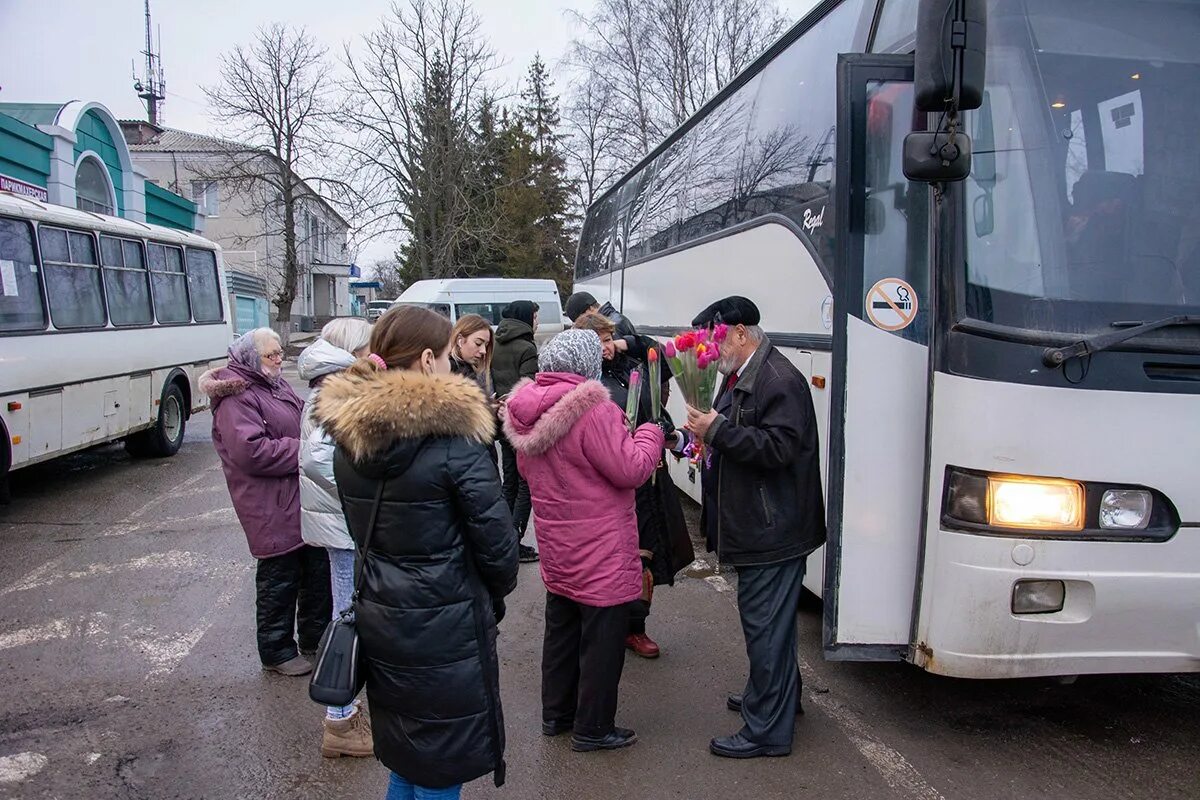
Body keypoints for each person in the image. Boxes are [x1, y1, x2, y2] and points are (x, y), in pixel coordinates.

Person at [313, 304, 519, 800]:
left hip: (382, 612)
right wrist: (494, 589)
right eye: (450, 354)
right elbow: (499, 550)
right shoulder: (455, 441)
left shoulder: (349, 436)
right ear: (428, 360)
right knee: (441, 759)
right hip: (444, 622)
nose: (454, 365)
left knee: (408, 749)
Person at [502, 329, 666, 753]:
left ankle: (556, 715)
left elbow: (527, 473)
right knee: (602, 643)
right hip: (600, 550)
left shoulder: (527, 411)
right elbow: (630, 470)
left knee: (562, 632)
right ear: (587, 366)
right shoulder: (595, 411)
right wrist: (649, 433)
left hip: (558, 545)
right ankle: (593, 728)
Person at [679, 296, 825, 760]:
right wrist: (700, 439)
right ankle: (778, 697)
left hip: (774, 529)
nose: (709, 351)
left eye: (715, 339)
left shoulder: (780, 379)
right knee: (772, 626)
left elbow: (780, 448)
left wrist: (717, 431)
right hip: (763, 524)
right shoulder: (743, 374)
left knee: (765, 627)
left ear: (741, 332)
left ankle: (767, 729)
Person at [200, 328, 331, 678]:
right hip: (268, 502)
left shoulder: (274, 385)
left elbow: (304, 417)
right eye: (271, 355)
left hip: (295, 495)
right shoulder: (237, 397)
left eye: (279, 353)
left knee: (315, 569)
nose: (278, 360)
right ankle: (276, 650)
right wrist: (305, 450)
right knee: (280, 574)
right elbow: (250, 452)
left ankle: (316, 641)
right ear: (249, 358)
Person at [574, 312, 694, 660]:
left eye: (609, 339)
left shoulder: (628, 366)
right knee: (617, 556)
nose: (607, 347)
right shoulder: (585, 383)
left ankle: (636, 628)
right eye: (599, 342)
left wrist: (628, 341)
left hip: (649, 476)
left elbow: (664, 357)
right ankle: (607, 626)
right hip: (615, 482)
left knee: (649, 552)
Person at [296, 318, 374, 758]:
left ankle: (345, 713)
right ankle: (340, 719)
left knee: (348, 613)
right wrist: (358, 497)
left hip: (339, 524)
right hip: (343, 527)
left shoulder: (329, 385)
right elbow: (319, 460)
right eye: (367, 348)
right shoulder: (334, 389)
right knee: (347, 619)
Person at [491, 300, 540, 563]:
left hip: (500, 419)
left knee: (509, 481)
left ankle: (504, 539)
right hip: (520, 423)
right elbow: (528, 390)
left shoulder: (496, 343)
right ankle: (514, 540)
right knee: (526, 484)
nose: (537, 322)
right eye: (534, 316)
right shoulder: (527, 347)